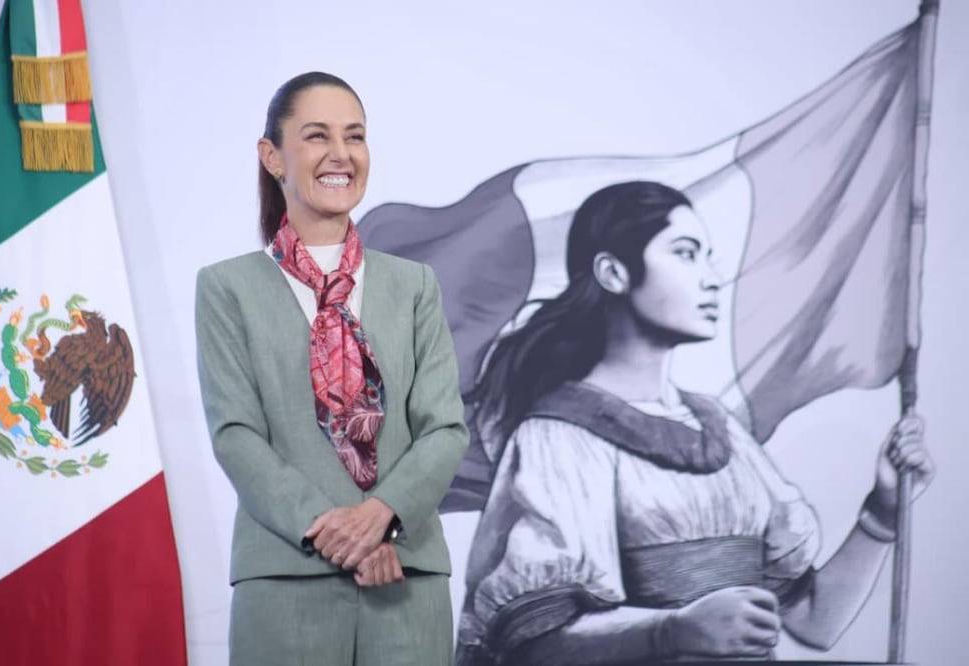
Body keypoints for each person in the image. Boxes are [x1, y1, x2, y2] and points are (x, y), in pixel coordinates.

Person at [454, 181, 935, 664]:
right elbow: (533, 647)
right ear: (613, 272)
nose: (711, 278)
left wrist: (883, 511)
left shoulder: (720, 430)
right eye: (686, 254)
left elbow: (814, 620)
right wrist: (672, 631)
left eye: (708, 256)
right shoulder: (560, 437)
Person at [195, 71, 469, 666]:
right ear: (272, 156)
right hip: (286, 578)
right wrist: (340, 533)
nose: (341, 154)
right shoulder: (226, 288)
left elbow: (444, 427)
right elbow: (235, 434)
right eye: (317, 136)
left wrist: (380, 519)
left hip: (407, 580)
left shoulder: (414, 285)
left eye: (355, 136)